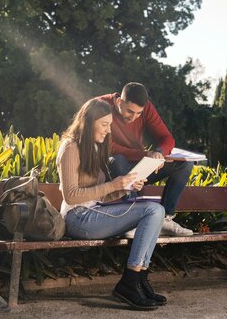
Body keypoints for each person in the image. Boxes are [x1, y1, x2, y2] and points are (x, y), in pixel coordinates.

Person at [56, 98, 166, 310]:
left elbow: (100, 196)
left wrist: (125, 187)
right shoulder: (70, 148)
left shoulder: (95, 148)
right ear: (88, 122)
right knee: (152, 210)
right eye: (104, 125)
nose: (108, 130)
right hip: (77, 218)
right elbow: (70, 196)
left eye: (110, 125)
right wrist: (112, 184)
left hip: (93, 212)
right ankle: (130, 281)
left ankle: (140, 279)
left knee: (157, 210)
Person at [95, 82, 194, 237]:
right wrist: (143, 155)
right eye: (130, 111)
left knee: (184, 164)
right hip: (110, 168)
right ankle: (132, 221)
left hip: (136, 168)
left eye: (139, 113)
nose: (134, 117)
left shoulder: (147, 108)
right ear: (120, 102)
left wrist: (159, 153)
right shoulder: (100, 105)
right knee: (119, 160)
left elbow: (166, 138)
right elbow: (105, 146)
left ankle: (165, 219)